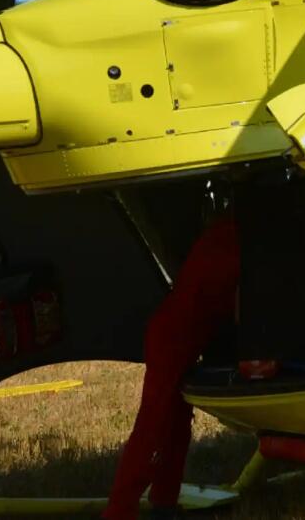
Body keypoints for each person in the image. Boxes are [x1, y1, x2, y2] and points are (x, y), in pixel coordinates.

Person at [103, 211, 240, 520]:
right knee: (152, 425)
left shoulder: (222, 234)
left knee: (176, 424)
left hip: (178, 332)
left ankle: (164, 502)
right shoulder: (239, 243)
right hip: (176, 338)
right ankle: (119, 511)